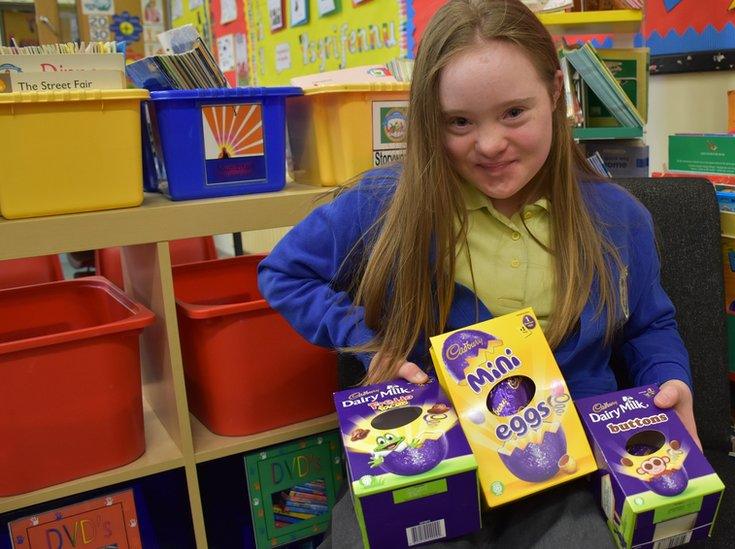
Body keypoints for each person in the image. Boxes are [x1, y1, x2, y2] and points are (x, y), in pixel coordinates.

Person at [258, 0, 696, 544]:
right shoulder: (386, 203)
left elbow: (649, 326)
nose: (489, 145)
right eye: (459, 122)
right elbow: (284, 273)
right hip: (428, 456)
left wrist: (669, 381)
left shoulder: (618, 218)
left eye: (515, 113)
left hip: (564, 468)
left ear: (556, 93)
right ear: (428, 120)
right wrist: (368, 343)